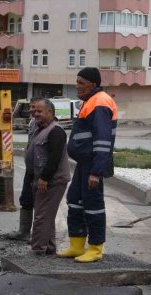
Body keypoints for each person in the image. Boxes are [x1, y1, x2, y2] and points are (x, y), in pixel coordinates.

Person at [58, 67, 117, 263]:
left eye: (81, 83)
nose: (77, 86)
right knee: (74, 200)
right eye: (77, 82)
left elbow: (103, 140)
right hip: (84, 163)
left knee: (93, 206)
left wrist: (96, 172)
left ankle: (95, 248)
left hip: (92, 164)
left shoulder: (100, 102)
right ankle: (76, 245)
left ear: (93, 84)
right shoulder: (90, 101)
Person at [26, 99, 70, 254]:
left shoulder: (56, 131)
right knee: (46, 214)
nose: (35, 113)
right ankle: (50, 248)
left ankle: (37, 249)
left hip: (53, 180)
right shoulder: (39, 128)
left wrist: (44, 178)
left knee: (41, 216)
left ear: (50, 112)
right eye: (34, 111)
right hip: (42, 179)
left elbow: (54, 157)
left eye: (39, 111)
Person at [6, 97, 43, 241]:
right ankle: (24, 231)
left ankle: (39, 235)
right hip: (30, 169)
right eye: (32, 107)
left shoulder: (48, 125)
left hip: (40, 170)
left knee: (40, 203)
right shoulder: (33, 123)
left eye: (36, 108)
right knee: (26, 199)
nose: (32, 111)